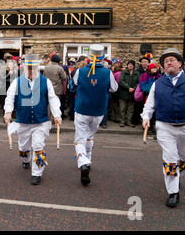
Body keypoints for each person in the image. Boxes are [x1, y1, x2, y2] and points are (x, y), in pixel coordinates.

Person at [141, 48, 185, 208]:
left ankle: (177, 175)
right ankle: (173, 192)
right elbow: (149, 105)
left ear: (180, 64)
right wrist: (146, 117)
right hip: (165, 127)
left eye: (172, 60)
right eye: (166, 61)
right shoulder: (157, 84)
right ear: (163, 67)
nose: (169, 63)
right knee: (171, 158)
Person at [4, 54, 62, 185]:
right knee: (23, 147)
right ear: (24, 68)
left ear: (38, 68)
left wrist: (57, 115)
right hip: (23, 121)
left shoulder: (45, 81)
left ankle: (36, 173)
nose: (32, 71)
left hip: (40, 121)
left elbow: (53, 98)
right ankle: (25, 160)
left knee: (38, 146)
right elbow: (10, 97)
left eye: (34, 68)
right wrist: (8, 112)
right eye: (29, 68)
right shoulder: (17, 81)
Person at [71, 45, 118, 185]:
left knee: (80, 138)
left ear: (89, 57)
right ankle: (88, 159)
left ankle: (83, 161)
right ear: (102, 57)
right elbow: (114, 88)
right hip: (98, 111)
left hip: (82, 109)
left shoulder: (80, 71)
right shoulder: (107, 72)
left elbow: (74, 84)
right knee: (90, 136)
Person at [42, 54, 67, 124]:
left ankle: (48, 118)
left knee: (48, 104)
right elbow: (64, 78)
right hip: (57, 89)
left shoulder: (46, 67)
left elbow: (43, 77)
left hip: (47, 88)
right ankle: (53, 119)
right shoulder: (59, 68)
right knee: (55, 104)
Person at [118, 60, 140, 127]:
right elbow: (121, 81)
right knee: (122, 108)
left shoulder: (136, 73)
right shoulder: (123, 72)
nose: (130, 66)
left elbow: (138, 82)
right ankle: (122, 121)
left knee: (130, 109)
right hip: (123, 93)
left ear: (133, 66)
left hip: (132, 94)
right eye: (129, 64)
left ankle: (129, 121)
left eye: (131, 64)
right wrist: (128, 88)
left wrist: (134, 88)